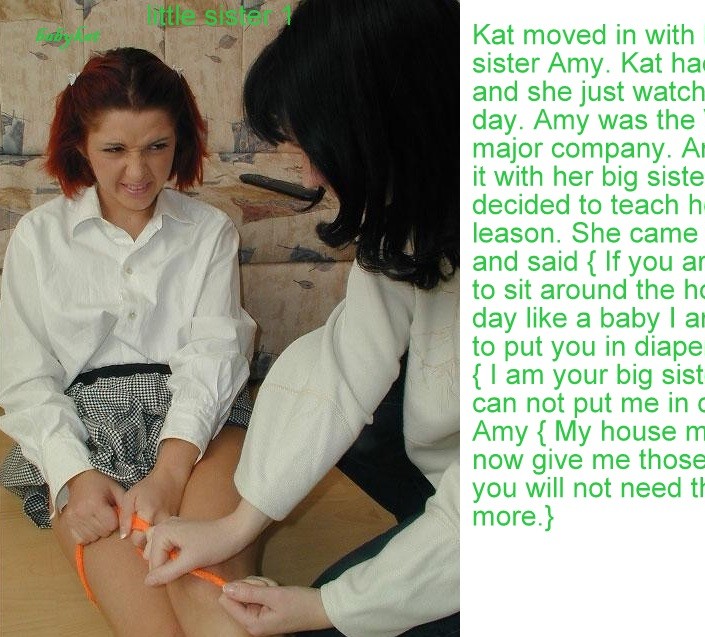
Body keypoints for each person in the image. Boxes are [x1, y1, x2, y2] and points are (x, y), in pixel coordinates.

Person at [143, 0, 460, 635]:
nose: (311, 172)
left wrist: (328, 606)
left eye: (316, 146)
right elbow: (345, 359)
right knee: (367, 418)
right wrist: (236, 525)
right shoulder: (421, 200)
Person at [0, 47, 261, 636]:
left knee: (209, 601)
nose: (138, 172)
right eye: (114, 149)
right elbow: (25, 378)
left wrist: (170, 473)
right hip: (85, 439)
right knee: (154, 627)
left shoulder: (210, 231)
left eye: (156, 146)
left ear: (180, 142)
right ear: (80, 146)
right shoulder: (37, 238)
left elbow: (216, 355)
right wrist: (73, 475)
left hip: (201, 429)